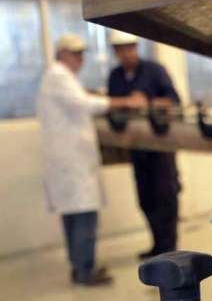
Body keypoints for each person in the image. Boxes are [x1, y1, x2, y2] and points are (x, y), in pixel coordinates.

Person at [38, 34, 146, 286]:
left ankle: (79, 267)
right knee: (84, 216)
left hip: (70, 161)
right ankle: (85, 270)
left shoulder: (62, 78)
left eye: (81, 54)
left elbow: (80, 99)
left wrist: (103, 96)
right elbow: (84, 104)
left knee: (74, 216)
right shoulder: (58, 76)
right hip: (71, 162)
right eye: (75, 54)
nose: (80, 58)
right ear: (62, 54)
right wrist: (127, 102)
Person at [107, 30, 182, 259]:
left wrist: (146, 102)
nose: (126, 54)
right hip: (137, 147)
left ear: (136, 48)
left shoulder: (154, 71)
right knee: (146, 198)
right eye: (121, 50)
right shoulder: (116, 76)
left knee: (165, 195)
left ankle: (169, 249)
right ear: (115, 52)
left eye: (130, 48)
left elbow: (173, 101)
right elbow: (113, 106)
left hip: (160, 147)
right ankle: (158, 245)